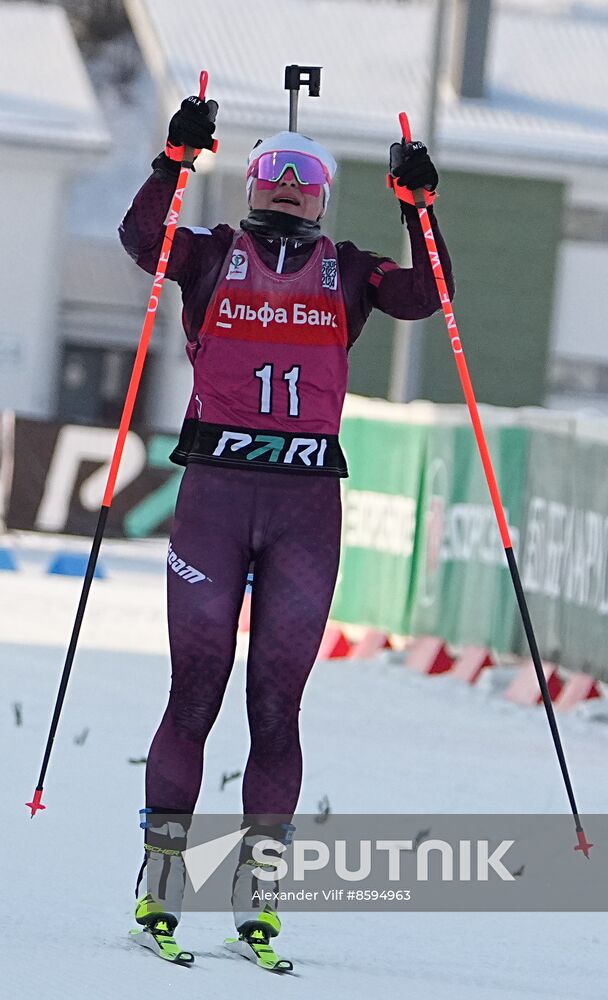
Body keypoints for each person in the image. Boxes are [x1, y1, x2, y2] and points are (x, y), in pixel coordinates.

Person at [119, 90, 454, 969]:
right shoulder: (210, 255)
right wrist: (174, 160)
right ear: (254, 181)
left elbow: (428, 296)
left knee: (277, 704)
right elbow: (140, 241)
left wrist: (420, 208)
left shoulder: (349, 270)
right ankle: (160, 887)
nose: (292, 188)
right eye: (276, 171)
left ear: (327, 194)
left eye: (308, 178)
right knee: (196, 689)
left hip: (305, 509)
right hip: (217, 502)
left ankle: (259, 893)